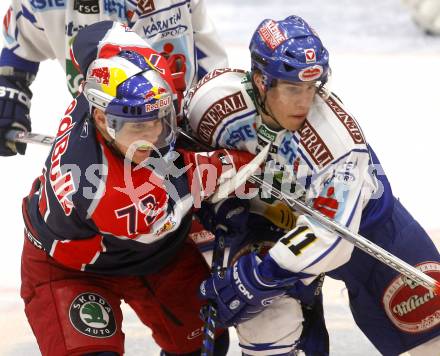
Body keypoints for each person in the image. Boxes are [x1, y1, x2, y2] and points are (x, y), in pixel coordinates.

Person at [185, 15, 440, 355]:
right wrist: (221, 207)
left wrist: (262, 275)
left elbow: (333, 239)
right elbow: (181, 158)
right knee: (267, 325)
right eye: (293, 88)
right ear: (261, 81)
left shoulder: (338, 142)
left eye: (313, 87)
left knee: (431, 332)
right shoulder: (212, 103)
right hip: (263, 224)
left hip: (367, 230)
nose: (305, 102)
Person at [20, 21, 255, 356]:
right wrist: (249, 162)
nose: (153, 136)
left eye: (160, 119)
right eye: (137, 126)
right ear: (101, 118)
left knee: (205, 346)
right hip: (70, 269)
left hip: (158, 255)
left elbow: (94, 37)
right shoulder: (99, 187)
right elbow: (208, 175)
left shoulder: (129, 80)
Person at [0, 0, 228, 157]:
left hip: (179, 131)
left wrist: (207, 131)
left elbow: (208, 73)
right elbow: (21, 43)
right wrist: (10, 91)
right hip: (101, 134)